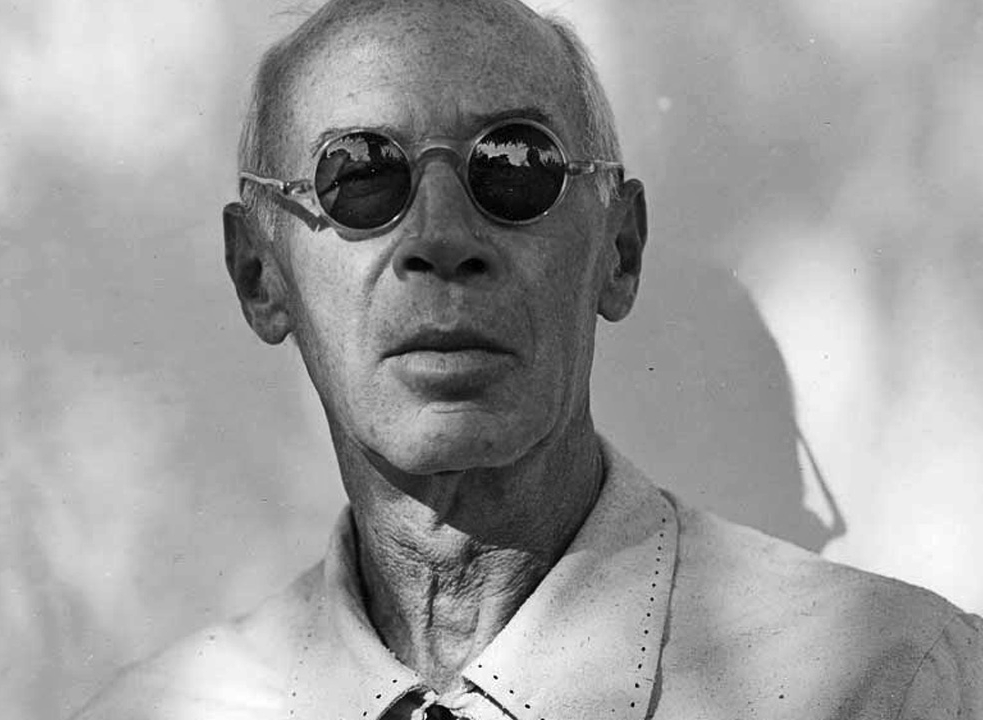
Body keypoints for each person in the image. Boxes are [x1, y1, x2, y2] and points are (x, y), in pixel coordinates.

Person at [72, 0, 982, 718]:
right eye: (361, 175)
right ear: (258, 276)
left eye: (514, 165)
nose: (440, 238)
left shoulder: (897, 682)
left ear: (618, 252)